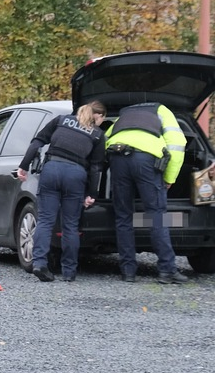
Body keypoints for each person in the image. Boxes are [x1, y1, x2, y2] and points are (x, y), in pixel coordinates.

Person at [17, 101, 107, 282]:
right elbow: (96, 167)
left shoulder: (61, 120)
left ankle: (39, 264)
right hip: (75, 175)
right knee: (70, 225)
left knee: (45, 220)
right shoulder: (98, 134)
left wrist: (24, 166)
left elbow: (37, 142)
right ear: (98, 116)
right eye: (102, 120)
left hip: (51, 170)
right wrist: (92, 194)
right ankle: (69, 272)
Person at [106, 101, 189, 284]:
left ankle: (128, 272)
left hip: (117, 158)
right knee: (156, 215)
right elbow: (177, 144)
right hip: (146, 160)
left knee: (123, 216)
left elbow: (106, 137)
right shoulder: (162, 110)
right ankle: (167, 270)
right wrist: (169, 178)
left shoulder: (124, 113)